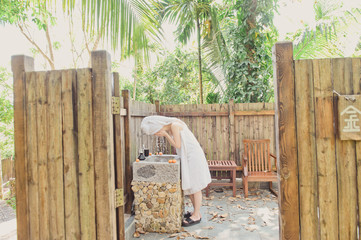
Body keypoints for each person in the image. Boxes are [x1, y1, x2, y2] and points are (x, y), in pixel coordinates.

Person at [141, 115, 211, 226]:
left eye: (155, 132)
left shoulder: (174, 125)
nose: (156, 134)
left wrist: (165, 135)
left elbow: (177, 145)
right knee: (192, 187)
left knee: (195, 187)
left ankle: (196, 215)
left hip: (193, 156)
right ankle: (196, 212)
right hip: (189, 156)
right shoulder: (173, 125)